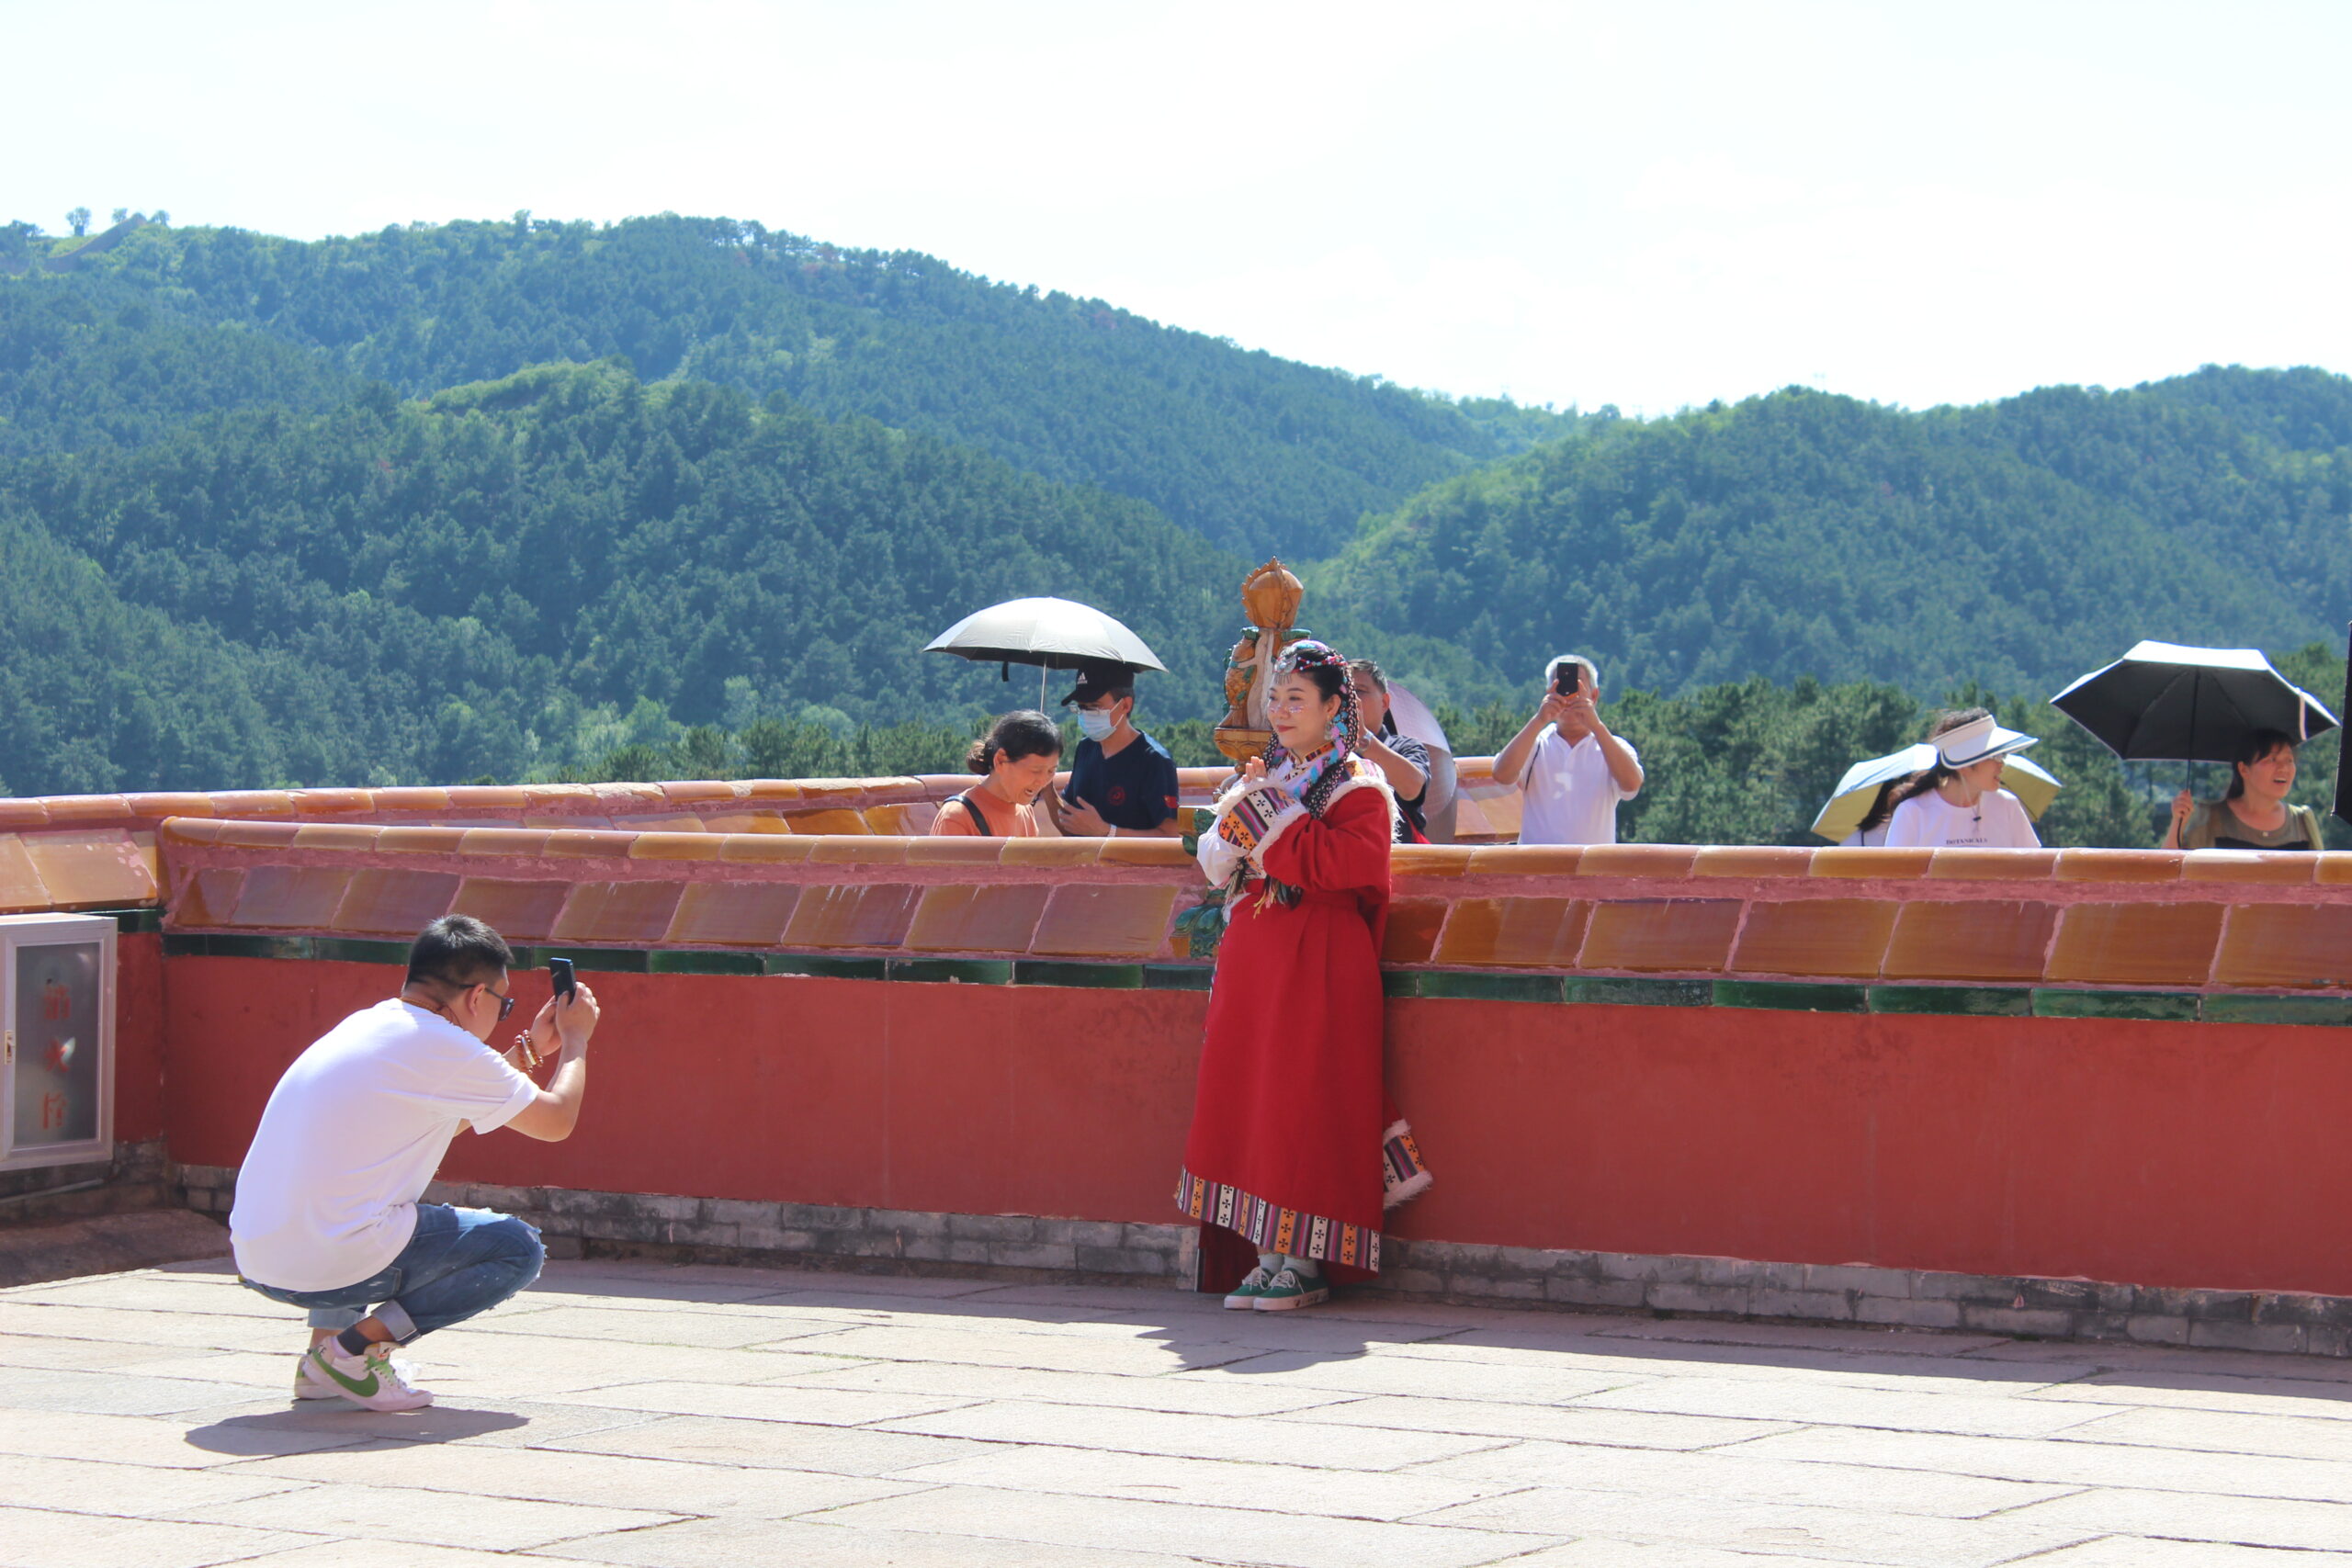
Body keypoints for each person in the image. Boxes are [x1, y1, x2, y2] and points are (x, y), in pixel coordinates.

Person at [230, 915, 600, 1411]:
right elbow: (555, 1122)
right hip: (328, 1262)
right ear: (476, 998)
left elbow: (447, 1117)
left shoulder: (367, 1025)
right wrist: (577, 1040)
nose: (500, 1015)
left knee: (358, 1203)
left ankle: (321, 1360)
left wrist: (529, 1050)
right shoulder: (446, 1048)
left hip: (258, 1258)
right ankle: (350, 1353)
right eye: (502, 1004)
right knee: (516, 1247)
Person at [1181, 639, 1431, 1314]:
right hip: (1257, 961)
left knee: (1305, 1097)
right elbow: (1215, 860)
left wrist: (1264, 815)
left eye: (1297, 698)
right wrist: (1245, 820)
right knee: (1255, 1097)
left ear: (1332, 709)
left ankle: (1306, 1259)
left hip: (1321, 958)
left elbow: (1345, 868)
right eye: (1276, 698)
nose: (1282, 710)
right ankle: (1267, 1256)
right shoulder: (1268, 777)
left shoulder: (1358, 786)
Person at [1493, 655, 1645, 846]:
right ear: (1549, 692)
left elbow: (1631, 784)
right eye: (1562, 688)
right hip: (1537, 870)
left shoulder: (1612, 747)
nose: (1569, 695)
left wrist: (1596, 726)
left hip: (1592, 870)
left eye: (1578, 687)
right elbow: (1501, 775)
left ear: (1594, 696)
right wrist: (1539, 720)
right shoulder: (1536, 744)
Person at [1883, 710, 2041, 850]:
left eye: (2003, 756)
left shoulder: (2007, 805)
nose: (2002, 764)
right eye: (1996, 756)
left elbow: (2035, 868)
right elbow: (1894, 878)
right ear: (1964, 765)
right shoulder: (1913, 812)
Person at [1057, 665, 1183, 839]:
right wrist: (1046, 786)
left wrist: (1108, 832)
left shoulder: (1154, 761)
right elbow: (1070, 825)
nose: (1086, 714)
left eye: (1094, 706)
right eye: (1081, 707)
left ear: (1125, 705)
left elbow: (1170, 836)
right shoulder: (1085, 748)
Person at [2164, 728, 2324, 851]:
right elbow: (2168, 872)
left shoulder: (2302, 820)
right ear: (2244, 770)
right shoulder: (2210, 818)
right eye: (2272, 759)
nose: (2284, 768)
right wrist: (2179, 822)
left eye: (2289, 760)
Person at [931, 710, 1063, 837]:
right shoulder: (957, 817)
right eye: (1036, 770)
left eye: (1051, 771)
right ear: (1000, 760)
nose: (1042, 781)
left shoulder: (1025, 812)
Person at [1347, 658, 1431, 843]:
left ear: (1384, 702)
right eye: (1344, 693)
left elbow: (1412, 788)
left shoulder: (1406, 748)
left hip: (1398, 864)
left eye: (1359, 691)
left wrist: (1363, 739)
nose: (1352, 700)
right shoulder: (1326, 752)